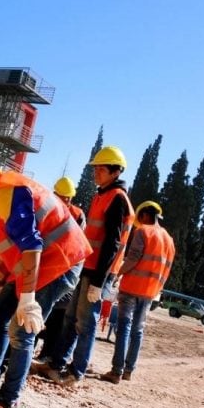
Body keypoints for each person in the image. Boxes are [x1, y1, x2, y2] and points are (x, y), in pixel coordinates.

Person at [0, 140, 92, 408]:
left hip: (61, 261)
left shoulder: (5, 192)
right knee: (0, 312)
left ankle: (8, 399)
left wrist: (27, 299)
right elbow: (13, 250)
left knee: (22, 329)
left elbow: (31, 246)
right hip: (43, 259)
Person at [38, 146, 135, 387]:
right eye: (96, 169)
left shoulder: (117, 199)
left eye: (101, 169)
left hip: (99, 272)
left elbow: (112, 244)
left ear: (115, 172)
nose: (96, 173)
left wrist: (99, 282)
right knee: (71, 318)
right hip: (87, 267)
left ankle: (77, 371)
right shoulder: (103, 194)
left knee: (87, 322)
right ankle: (57, 363)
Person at [100, 200, 175, 383]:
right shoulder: (169, 240)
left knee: (124, 327)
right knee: (138, 330)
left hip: (132, 287)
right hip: (150, 292)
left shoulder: (143, 232)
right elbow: (166, 269)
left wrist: (118, 273)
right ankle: (128, 371)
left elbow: (133, 258)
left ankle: (116, 371)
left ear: (144, 215)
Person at [36, 176, 87, 361]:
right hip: (54, 270)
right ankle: (39, 352)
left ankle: (43, 353)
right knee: (43, 311)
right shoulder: (58, 210)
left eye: (66, 198)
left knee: (51, 314)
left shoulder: (74, 214)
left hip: (61, 271)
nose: (64, 201)